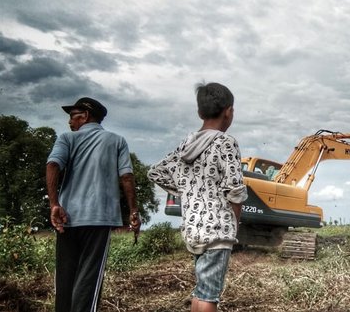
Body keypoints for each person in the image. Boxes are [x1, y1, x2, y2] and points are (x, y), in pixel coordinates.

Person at [148, 82, 247, 312]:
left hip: (193, 228)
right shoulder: (226, 142)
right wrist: (234, 223)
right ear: (229, 111)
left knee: (201, 291)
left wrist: (186, 188)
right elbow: (235, 190)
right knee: (210, 296)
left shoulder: (187, 143)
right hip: (217, 230)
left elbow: (156, 171)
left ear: (200, 112)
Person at [46, 97, 141, 312]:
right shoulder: (117, 141)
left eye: (72, 116)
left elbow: (52, 164)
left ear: (85, 115)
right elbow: (126, 176)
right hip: (99, 219)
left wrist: (54, 204)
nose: (70, 122)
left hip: (67, 218)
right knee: (88, 279)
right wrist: (133, 211)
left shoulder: (67, 139)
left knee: (65, 278)